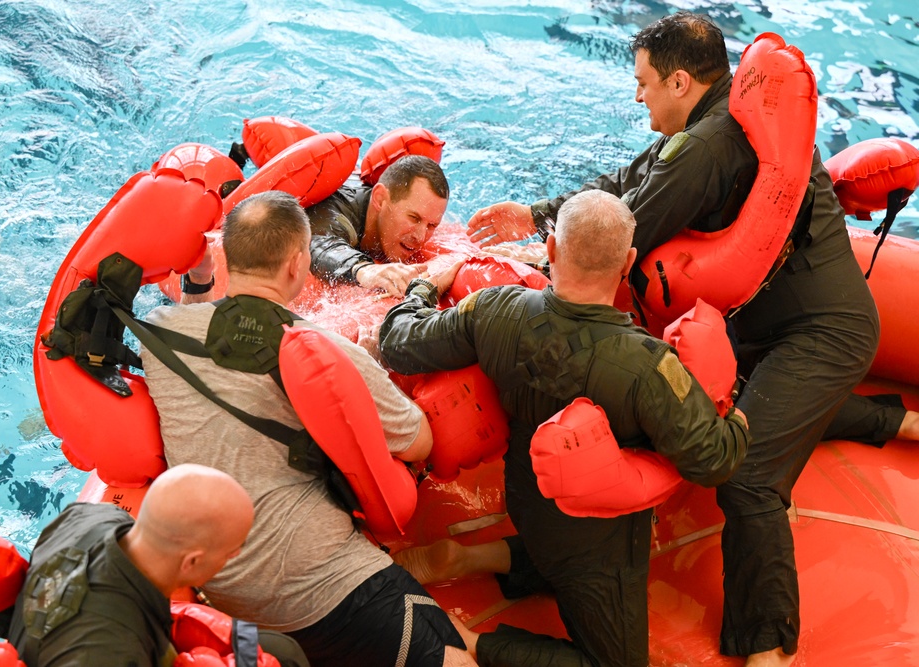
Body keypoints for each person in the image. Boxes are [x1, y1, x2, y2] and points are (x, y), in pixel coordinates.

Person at [466, 13, 880, 665]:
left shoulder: (708, 149)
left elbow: (621, 233)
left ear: (680, 81)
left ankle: (768, 648)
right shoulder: (719, 116)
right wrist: (539, 213)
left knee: (748, 476)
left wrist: (540, 259)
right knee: (749, 405)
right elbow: (629, 182)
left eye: (644, 83)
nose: (638, 97)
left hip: (819, 334)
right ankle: (900, 421)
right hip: (763, 330)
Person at [379, 189, 750, 667]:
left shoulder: (496, 309)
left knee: (554, 551)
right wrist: (734, 412)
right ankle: (470, 641)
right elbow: (713, 460)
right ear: (627, 263)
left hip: (527, 504)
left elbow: (398, 342)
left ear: (551, 249)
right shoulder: (648, 365)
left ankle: (469, 559)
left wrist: (423, 289)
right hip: (597, 546)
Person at [140, 190, 474, 667]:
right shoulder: (331, 352)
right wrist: (373, 368)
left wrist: (199, 280)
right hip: (329, 586)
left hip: (222, 592)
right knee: (459, 656)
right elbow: (419, 441)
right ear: (298, 264)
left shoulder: (159, 333)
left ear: (228, 255)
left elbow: (206, 328)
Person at [6, 463, 256, 666]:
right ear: (192, 561)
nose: (235, 555)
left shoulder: (86, 515)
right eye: (231, 552)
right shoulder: (112, 651)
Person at [306, 154, 449, 296]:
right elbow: (317, 244)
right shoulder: (335, 214)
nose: (420, 237)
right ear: (380, 199)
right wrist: (364, 269)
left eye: (432, 225)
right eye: (414, 218)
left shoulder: (412, 209)